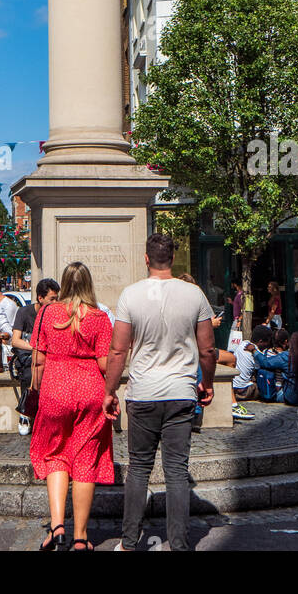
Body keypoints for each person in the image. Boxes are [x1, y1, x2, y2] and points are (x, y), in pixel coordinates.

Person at [104, 234, 216, 553]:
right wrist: (206, 383)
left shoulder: (131, 295)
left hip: (143, 392)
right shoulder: (194, 294)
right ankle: (179, 545)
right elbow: (208, 348)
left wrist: (109, 390)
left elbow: (117, 350)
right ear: (173, 257)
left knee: (139, 468)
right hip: (181, 391)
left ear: (146, 258)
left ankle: (128, 542)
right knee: (177, 471)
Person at [29, 261, 115, 552]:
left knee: (55, 454)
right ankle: (81, 537)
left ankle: (58, 527)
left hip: (55, 387)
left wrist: (40, 392)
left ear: (63, 284)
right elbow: (105, 363)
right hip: (90, 389)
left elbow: (38, 359)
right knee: (85, 460)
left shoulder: (48, 313)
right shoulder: (100, 317)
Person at [12, 278, 60, 435]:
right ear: (40, 298)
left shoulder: (57, 314)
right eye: (52, 299)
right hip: (28, 355)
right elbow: (15, 340)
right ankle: (25, 412)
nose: (55, 302)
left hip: (50, 356)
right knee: (30, 373)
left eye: (57, 298)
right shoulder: (24, 313)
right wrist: (35, 347)